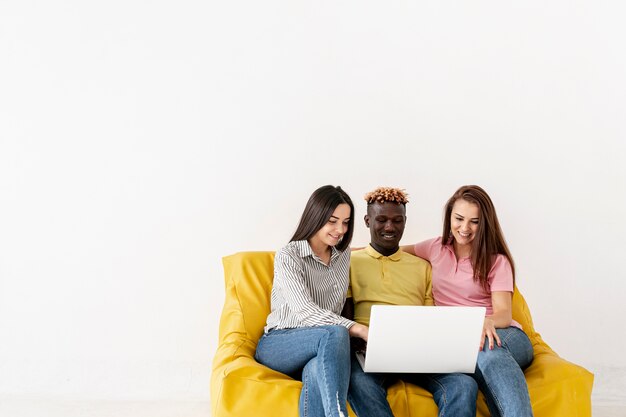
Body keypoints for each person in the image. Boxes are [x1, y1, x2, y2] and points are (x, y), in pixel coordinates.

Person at [344, 187, 478, 417]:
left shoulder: (422, 266)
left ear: (405, 222)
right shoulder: (349, 262)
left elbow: (431, 317)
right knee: (358, 383)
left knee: (464, 385)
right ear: (367, 221)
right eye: (382, 220)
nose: (389, 227)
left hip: (417, 350)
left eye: (397, 221)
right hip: (369, 348)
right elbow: (343, 314)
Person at [402, 185, 534, 417]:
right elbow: (388, 250)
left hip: (505, 336)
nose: (464, 228)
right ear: (449, 217)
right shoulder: (435, 248)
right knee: (477, 364)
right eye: (459, 219)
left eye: (474, 221)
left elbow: (504, 313)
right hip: (459, 342)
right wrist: (339, 250)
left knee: (488, 350)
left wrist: (486, 322)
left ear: (485, 223)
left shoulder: (496, 261)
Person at [255, 185, 369, 417]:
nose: (340, 230)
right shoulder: (288, 256)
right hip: (280, 343)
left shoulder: (342, 254)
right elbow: (306, 311)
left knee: (318, 370)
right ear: (315, 216)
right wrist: (357, 329)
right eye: (332, 221)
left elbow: (371, 250)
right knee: (336, 332)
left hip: (321, 350)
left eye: (346, 222)